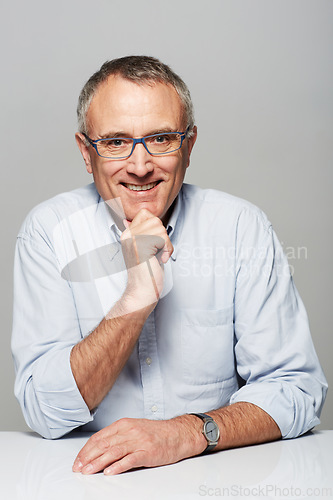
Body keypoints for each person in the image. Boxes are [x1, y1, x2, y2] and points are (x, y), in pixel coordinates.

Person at [12, 55, 327, 476]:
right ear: (87, 153)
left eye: (160, 138)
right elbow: (44, 411)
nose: (140, 166)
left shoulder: (240, 227)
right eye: (115, 142)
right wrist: (134, 301)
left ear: (189, 145)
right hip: (89, 485)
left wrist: (186, 433)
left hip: (218, 479)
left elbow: (297, 390)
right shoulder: (48, 232)